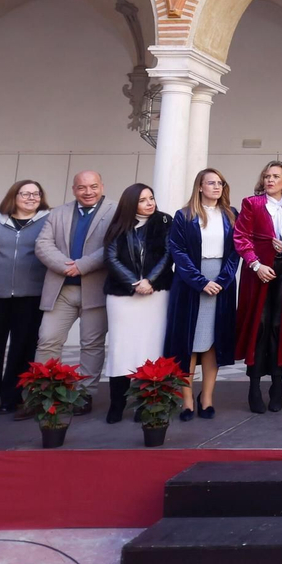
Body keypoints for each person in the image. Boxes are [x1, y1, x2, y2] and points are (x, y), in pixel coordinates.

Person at [34, 170, 116, 415]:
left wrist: (83, 265)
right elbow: (42, 244)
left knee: (91, 344)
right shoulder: (57, 213)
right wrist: (65, 266)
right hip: (61, 290)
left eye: (93, 186)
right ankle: (44, 392)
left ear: (102, 186)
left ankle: (84, 395)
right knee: (48, 340)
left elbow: (113, 245)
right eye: (82, 187)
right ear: (73, 189)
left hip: (96, 290)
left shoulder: (115, 211)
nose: (88, 192)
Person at [0, 180, 51, 414]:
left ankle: (11, 399)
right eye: (25, 193)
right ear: (13, 197)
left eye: (36, 194)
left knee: (22, 348)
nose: (31, 198)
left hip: (31, 294)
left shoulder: (48, 223)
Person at [165, 169, 239, 420]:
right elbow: (178, 251)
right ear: (199, 187)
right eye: (211, 183)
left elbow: (235, 251)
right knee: (190, 341)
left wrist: (222, 280)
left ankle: (206, 397)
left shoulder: (231, 214)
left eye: (220, 183)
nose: (217, 187)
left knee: (213, 341)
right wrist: (200, 282)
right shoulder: (184, 216)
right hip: (190, 282)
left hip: (221, 281)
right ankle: (187, 400)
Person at [234, 161, 282, 415]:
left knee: (278, 326)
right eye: (266, 176)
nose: (270, 180)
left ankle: (277, 386)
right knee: (259, 326)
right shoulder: (252, 203)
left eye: (275, 176)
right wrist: (255, 265)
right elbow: (241, 238)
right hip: (258, 273)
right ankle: (253, 387)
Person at [102, 184, 171, 424]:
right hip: (122, 296)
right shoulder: (118, 225)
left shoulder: (164, 221)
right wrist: (134, 283)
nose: (150, 203)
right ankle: (117, 405)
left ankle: (146, 403)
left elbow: (168, 254)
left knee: (150, 348)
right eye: (143, 200)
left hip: (156, 294)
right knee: (121, 349)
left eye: (151, 198)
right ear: (131, 203)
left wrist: (149, 280)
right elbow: (110, 258)